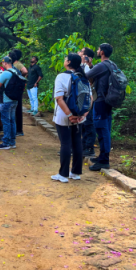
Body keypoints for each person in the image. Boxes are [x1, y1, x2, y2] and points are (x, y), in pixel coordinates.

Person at [51, 53, 87, 183]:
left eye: (65, 59)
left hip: (64, 116)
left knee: (65, 143)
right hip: (79, 115)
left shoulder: (61, 76)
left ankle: (63, 174)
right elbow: (90, 98)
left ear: (69, 62)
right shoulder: (82, 76)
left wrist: (70, 115)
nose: (64, 61)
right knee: (77, 142)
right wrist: (83, 115)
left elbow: (59, 99)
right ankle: (75, 172)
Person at [86, 43, 115, 171]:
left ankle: (104, 160)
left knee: (102, 129)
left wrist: (84, 63)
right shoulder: (112, 64)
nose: (97, 51)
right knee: (106, 128)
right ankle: (102, 156)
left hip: (101, 101)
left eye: (98, 49)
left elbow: (86, 75)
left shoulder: (101, 65)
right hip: (108, 101)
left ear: (102, 52)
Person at [0, 56, 26, 149]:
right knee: (12, 121)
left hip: (6, 100)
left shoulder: (5, 73)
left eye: (2, 63)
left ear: (4, 63)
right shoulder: (16, 72)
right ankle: (12, 141)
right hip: (15, 100)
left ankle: (6, 142)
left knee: (6, 121)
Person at [78, 47, 96, 158]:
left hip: (88, 99)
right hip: (82, 98)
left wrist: (88, 64)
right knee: (83, 124)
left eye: (81, 52)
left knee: (88, 123)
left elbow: (91, 80)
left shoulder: (89, 68)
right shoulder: (81, 66)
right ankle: (83, 146)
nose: (79, 52)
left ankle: (89, 148)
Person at [11, 49, 28, 137]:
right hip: (15, 88)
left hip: (17, 89)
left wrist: (20, 78)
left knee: (17, 109)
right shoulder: (14, 64)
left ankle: (19, 130)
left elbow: (25, 71)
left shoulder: (17, 64)